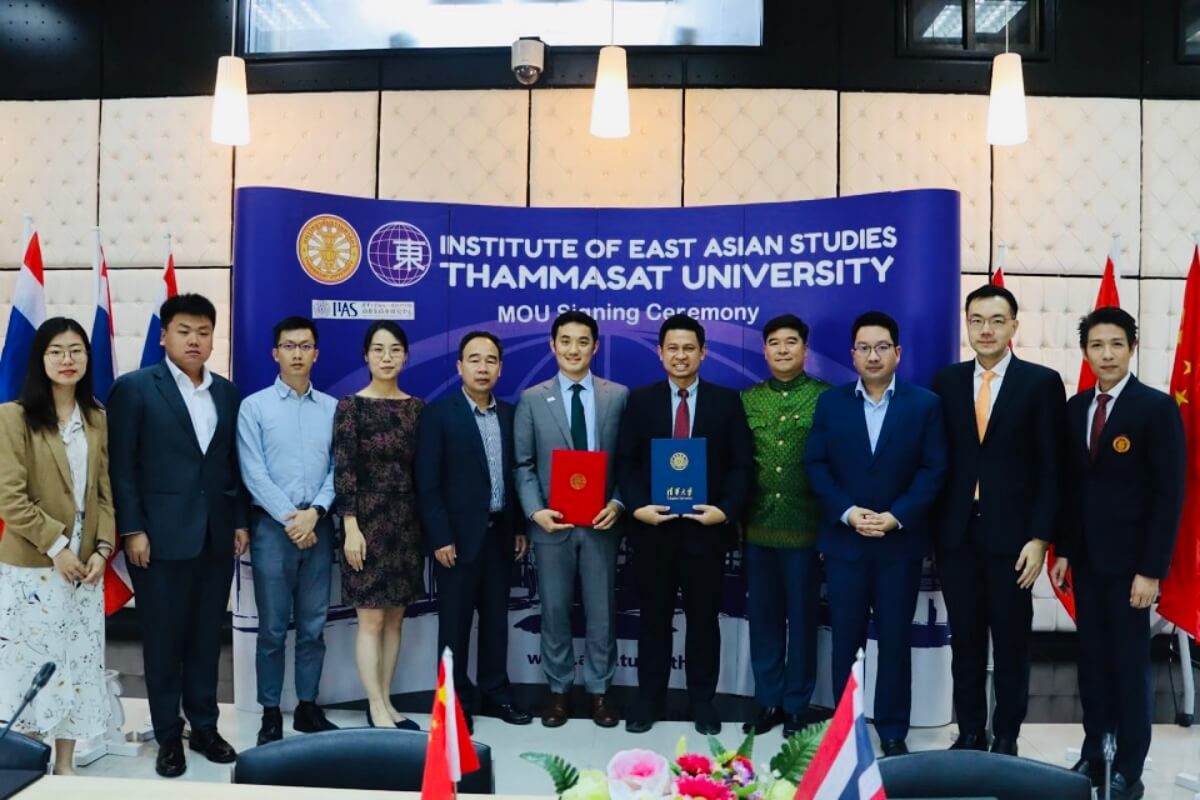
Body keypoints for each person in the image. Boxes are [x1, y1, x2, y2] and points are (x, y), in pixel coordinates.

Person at [107, 293, 248, 778]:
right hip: (158, 538)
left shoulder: (226, 393)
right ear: (164, 335)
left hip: (215, 535)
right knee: (164, 639)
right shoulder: (135, 389)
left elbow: (231, 465)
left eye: (203, 332)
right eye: (184, 331)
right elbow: (122, 467)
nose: (194, 340)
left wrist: (240, 522)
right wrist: (133, 529)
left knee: (207, 638)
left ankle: (204, 726)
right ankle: (169, 734)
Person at [1051, 307, 1185, 800]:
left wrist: (1151, 570)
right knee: (1091, 662)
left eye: (1115, 344)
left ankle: (1129, 765)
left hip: (1132, 567)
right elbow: (1071, 488)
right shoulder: (1076, 408)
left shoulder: (1156, 408)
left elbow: (1167, 496)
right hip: (1086, 561)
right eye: (1096, 345)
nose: (1106, 354)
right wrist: (1064, 550)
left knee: (1128, 665)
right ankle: (1094, 751)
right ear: (1085, 352)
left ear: (1132, 347)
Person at [931, 284, 1066, 756]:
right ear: (967, 325)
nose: (985, 330)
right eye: (976, 321)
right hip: (956, 534)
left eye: (996, 321)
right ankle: (969, 732)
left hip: (1014, 539)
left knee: (1011, 642)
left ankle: (1006, 735)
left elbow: (1052, 468)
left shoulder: (1041, 383)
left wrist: (1041, 537)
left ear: (1013, 326)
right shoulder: (946, 382)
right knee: (966, 642)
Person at [805, 310, 946, 756]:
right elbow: (816, 464)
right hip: (845, 544)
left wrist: (896, 516)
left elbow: (933, 469)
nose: (872, 356)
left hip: (898, 545)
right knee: (845, 641)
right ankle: (845, 729)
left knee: (895, 640)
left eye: (882, 347)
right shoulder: (831, 403)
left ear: (897, 353)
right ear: (852, 355)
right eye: (864, 348)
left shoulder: (924, 404)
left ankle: (892, 730)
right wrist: (847, 513)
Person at [615, 314, 754, 735]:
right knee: (653, 618)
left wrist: (724, 511)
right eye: (672, 348)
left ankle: (702, 701)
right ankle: (649, 699)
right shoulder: (640, 401)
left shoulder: (726, 402)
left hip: (705, 532)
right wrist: (637, 506)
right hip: (653, 531)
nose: (681, 356)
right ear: (660, 353)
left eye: (689, 348)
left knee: (704, 620)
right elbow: (626, 462)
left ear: (703, 353)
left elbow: (741, 466)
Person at [0, 318, 114, 775]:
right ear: (40, 359)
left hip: (85, 567)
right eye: (56, 351)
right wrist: (58, 547)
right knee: (33, 665)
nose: (67, 360)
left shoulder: (97, 418)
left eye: (76, 350)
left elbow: (104, 493)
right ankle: (29, 763)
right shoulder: (13, 417)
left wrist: (102, 549)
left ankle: (65, 766)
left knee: (77, 665)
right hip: (34, 567)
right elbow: (10, 497)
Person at [514, 310, 628, 728]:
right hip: (552, 525)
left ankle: (600, 692)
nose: (573, 349)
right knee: (555, 610)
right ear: (553, 345)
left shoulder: (618, 396)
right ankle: (558, 691)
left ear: (595, 346)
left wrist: (617, 503)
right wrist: (535, 511)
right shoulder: (532, 398)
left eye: (583, 341)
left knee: (602, 612)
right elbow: (523, 463)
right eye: (565, 340)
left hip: (601, 523)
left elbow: (629, 461)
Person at [416, 331, 532, 731]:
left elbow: (517, 475)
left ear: (500, 368)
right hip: (456, 540)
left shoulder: (511, 415)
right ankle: (455, 703)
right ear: (459, 366)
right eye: (474, 359)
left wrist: (519, 528)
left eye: (490, 360)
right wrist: (440, 536)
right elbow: (427, 482)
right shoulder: (439, 415)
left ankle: (496, 693)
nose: (483, 368)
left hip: (501, 535)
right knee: (454, 626)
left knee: (496, 622)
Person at [237, 316, 339, 745]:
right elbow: (253, 472)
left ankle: (308, 708)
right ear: (274, 353)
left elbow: (339, 469)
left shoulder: (333, 408)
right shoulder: (254, 407)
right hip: (272, 530)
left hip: (318, 526)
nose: (297, 353)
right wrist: (291, 519)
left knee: (314, 626)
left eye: (305, 346)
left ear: (316, 353)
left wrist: (315, 512)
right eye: (289, 346)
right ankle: (270, 712)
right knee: (273, 629)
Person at [740, 314, 830, 738]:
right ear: (764, 351)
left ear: (804, 349)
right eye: (774, 343)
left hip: (806, 530)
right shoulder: (748, 400)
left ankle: (796, 705)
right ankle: (768, 701)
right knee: (764, 621)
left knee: (802, 621)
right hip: (757, 530)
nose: (782, 349)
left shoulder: (826, 399)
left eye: (790, 342)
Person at [333, 321, 424, 731]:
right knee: (370, 620)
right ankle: (375, 706)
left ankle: (387, 700)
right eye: (378, 350)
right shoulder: (350, 407)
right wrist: (351, 526)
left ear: (405, 356)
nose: (387, 357)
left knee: (395, 619)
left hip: (406, 524)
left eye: (394, 350)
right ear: (366, 356)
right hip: (365, 524)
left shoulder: (417, 409)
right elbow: (344, 470)